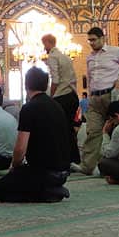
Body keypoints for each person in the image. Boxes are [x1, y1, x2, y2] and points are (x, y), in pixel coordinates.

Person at [0, 67, 70, 203]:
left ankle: (47, 192)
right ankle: (51, 188)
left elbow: (20, 149)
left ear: (26, 85)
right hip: (63, 173)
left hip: (43, 174)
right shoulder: (57, 106)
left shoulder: (29, 108)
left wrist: (15, 166)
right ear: (46, 85)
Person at [76, 26, 119, 175]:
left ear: (102, 38)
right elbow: (90, 78)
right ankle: (88, 166)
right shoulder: (90, 57)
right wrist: (90, 94)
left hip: (111, 95)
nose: (91, 43)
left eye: (94, 40)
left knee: (118, 129)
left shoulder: (115, 52)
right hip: (95, 98)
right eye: (89, 40)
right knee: (93, 131)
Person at [44, 33, 80, 164]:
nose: (44, 48)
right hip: (72, 96)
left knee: (59, 130)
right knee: (69, 129)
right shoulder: (65, 57)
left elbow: (55, 79)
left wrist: (51, 97)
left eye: (44, 44)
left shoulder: (53, 56)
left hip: (62, 97)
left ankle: (63, 159)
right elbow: (73, 78)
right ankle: (74, 158)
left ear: (49, 42)